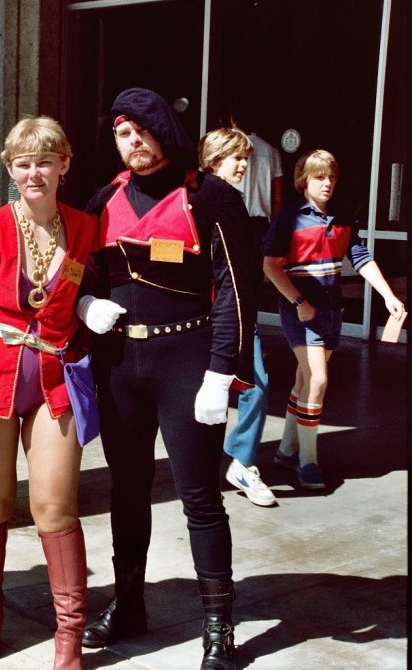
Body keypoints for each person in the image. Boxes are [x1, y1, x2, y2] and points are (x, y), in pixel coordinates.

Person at [77, 88, 255, 670]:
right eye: (122, 133)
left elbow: (236, 291)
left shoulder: (211, 196)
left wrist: (220, 370)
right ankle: (130, 604)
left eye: (142, 130)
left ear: (163, 131)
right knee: (126, 491)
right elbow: (81, 272)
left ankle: (217, 627)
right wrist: (85, 307)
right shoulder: (105, 197)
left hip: (189, 363)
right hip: (123, 367)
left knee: (200, 498)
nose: (133, 142)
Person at [0, 116, 97, 669]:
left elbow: (94, 289)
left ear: (65, 163)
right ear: (10, 169)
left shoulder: (85, 227)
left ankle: (69, 637)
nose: (34, 172)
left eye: (44, 160)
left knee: (54, 505)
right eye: (22, 163)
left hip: (58, 375)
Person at [263, 149, 404, 490]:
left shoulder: (342, 217)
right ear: (303, 181)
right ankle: (308, 462)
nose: (327, 184)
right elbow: (270, 266)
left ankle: (285, 450)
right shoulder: (289, 218)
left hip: (330, 310)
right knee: (319, 380)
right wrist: (298, 301)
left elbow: (360, 256)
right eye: (319, 177)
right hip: (301, 311)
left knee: (304, 380)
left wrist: (388, 294)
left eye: (331, 178)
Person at [198, 127, 276, 507]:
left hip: (238, 314)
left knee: (255, 383)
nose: (244, 165)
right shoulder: (195, 202)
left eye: (246, 158)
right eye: (237, 158)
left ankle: (242, 461)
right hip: (202, 317)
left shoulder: (235, 203)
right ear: (215, 160)